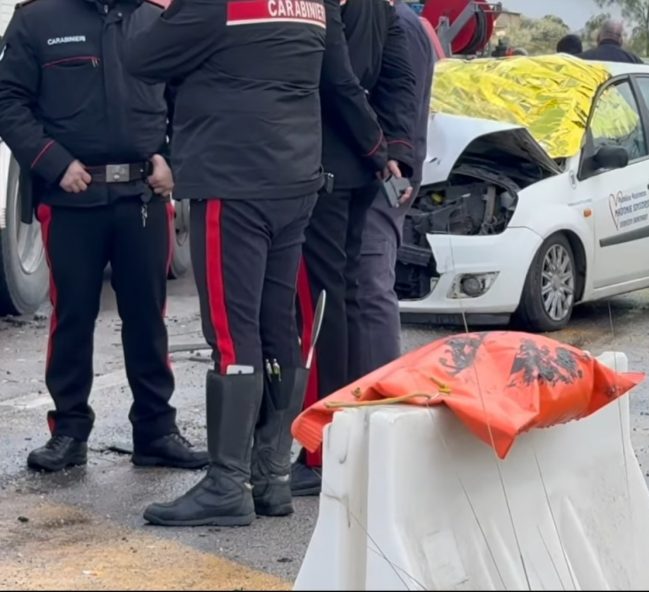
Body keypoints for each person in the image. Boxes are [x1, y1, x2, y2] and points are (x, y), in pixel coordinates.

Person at [124, 0, 386, 527]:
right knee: (275, 326)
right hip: (295, 179)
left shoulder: (215, 5)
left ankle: (226, 482)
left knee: (230, 329)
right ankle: (270, 477)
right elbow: (339, 80)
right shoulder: (312, 5)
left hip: (233, 179)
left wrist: (156, 6)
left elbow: (141, 55)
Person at [0, 0, 208, 473]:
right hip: (73, 196)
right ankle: (69, 432)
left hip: (142, 196)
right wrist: (54, 161)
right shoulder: (39, 19)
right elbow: (9, 102)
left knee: (148, 318)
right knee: (72, 317)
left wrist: (172, 158)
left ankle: (156, 432)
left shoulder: (158, 20)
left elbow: (190, 95)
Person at [292, 0, 418, 498]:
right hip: (361, 173)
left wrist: (380, 151)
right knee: (337, 298)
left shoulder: (329, 9)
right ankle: (332, 434)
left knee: (321, 308)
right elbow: (398, 84)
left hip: (325, 170)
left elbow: (339, 83)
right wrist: (397, 155)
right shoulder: (382, 10)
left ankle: (322, 443)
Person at [347, 1, 436, 414]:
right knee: (365, 286)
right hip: (384, 171)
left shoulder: (396, 23)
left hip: (383, 176)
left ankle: (384, 404)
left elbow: (401, 102)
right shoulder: (397, 20)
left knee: (369, 287)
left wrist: (392, 160)